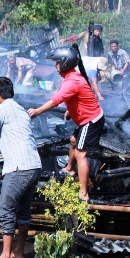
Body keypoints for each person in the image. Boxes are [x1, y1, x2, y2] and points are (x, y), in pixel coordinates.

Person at [28, 47, 104, 202]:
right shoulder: (71, 77)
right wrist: (71, 111)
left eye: (57, 63)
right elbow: (80, 97)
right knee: (73, 141)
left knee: (80, 154)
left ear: (64, 64)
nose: (55, 66)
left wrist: (37, 111)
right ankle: (69, 169)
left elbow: (56, 100)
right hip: (86, 118)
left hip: (91, 121)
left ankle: (84, 192)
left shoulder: (72, 81)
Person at [0, 77, 42, 258]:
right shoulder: (20, 109)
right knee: (23, 211)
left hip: (18, 167)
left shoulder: (1, 108)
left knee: (5, 210)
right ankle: (19, 252)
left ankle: (6, 256)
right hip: (34, 165)